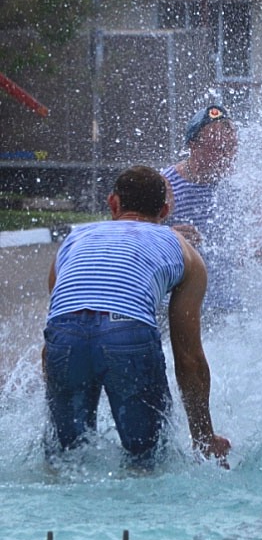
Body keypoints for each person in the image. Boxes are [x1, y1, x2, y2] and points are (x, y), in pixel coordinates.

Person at [43, 166, 231, 466]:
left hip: (64, 337)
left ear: (113, 203)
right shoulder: (183, 250)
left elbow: (59, 321)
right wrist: (203, 437)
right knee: (147, 463)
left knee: (66, 461)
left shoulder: (74, 240)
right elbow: (189, 358)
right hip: (127, 331)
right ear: (166, 210)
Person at [162, 104, 262, 314]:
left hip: (227, 307)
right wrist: (166, 236)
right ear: (194, 146)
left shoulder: (242, 186)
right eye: (220, 149)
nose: (229, 156)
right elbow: (132, 239)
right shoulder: (165, 185)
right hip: (177, 309)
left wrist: (261, 247)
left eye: (232, 148)